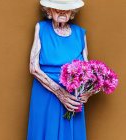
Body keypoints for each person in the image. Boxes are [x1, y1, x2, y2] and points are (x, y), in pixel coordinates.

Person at [27, 0, 94, 139]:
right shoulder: (41, 28)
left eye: (67, 9)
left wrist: (87, 92)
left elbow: (88, 70)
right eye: (57, 8)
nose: (62, 11)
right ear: (49, 10)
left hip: (72, 98)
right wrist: (60, 93)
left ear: (72, 12)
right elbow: (33, 68)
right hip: (46, 93)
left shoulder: (80, 33)